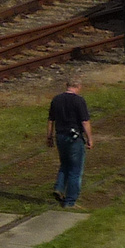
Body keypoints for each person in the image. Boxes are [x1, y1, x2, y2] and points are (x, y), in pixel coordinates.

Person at [46, 77, 93, 208]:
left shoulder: (56, 99)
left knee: (64, 163)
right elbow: (85, 121)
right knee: (75, 170)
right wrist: (90, 138)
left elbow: (51, 120)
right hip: (74, 138)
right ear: (78, 86)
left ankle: (59, 187)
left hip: (60, 136)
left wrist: (49, 137)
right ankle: (70, 201)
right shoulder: (79, 101)